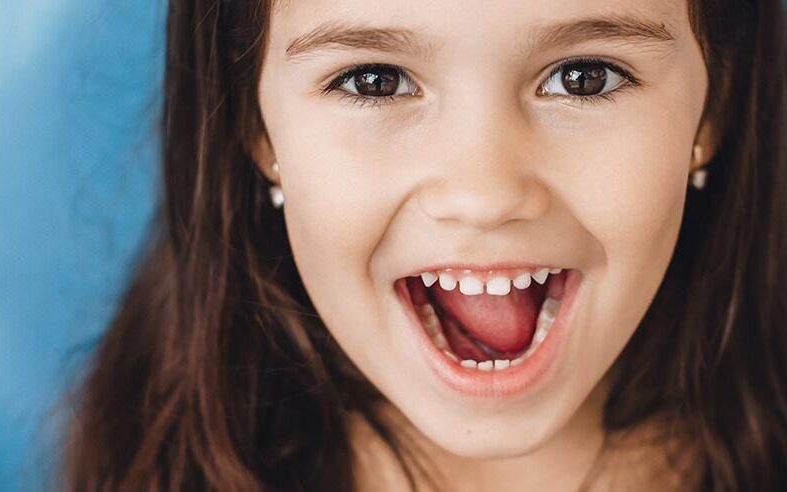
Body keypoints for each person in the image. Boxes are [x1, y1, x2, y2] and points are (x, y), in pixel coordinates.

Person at [62, 0, 787, 490]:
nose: (484, 193)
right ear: (256, 127)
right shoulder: (141, 459)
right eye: (374, 81)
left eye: (584, 77)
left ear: (714, 105)